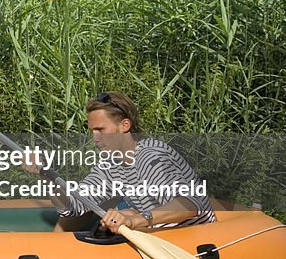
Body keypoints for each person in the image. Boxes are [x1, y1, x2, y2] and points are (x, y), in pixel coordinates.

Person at [52, 91, 215, 233]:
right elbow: (75, 205)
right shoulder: (110, 165)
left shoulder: (151, 158)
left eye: (101, 130)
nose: (95, 138)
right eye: (92, 131)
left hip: (196, 238)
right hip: (160, 234)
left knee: (127, 214)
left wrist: (135, 220)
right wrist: (45, 174)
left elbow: (191, 205)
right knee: (99, 210)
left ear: (124, 126)